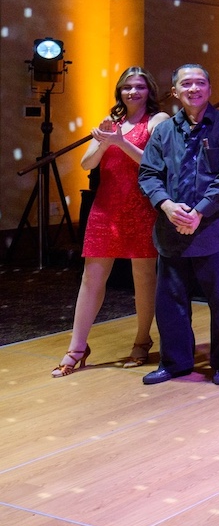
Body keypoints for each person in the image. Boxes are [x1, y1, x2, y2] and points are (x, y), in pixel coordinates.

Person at [51, 67, 170, 377]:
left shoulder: (158, 121)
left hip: (142, 207)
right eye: (127, 87)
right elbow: (87, 162)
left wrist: (119, 141)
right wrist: (106, 141)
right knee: (91, 278)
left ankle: (142, 340)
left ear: (149, 91)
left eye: (139, 87)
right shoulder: (112, 122)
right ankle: (77, 347)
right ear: (119, 91)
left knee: (143, 277)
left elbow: (154, 163)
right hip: (105, 208)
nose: (133, 92)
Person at [138, 64, 219, 386]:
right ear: (175, 92)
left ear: (210, 89)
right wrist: (167, 205)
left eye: (200, 82)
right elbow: (148, 174)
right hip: (171, 229)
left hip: (216, 231)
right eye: (186, 84)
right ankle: (175, 363)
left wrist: (198, 212)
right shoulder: (163, 131)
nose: (194, 88)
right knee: (170, 303)